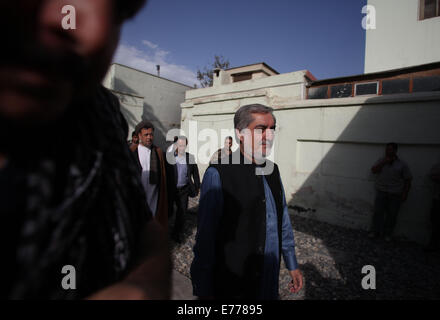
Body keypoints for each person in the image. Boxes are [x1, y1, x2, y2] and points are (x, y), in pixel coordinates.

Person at [0, 0, 171, 299]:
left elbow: (143, 223)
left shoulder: (101, 118)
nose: (95, 32)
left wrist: (145, 283)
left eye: (119, 11)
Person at [190, 104, 303, 300]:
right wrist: (203, 288)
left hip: (268, 277)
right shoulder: (218, 173)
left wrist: (291, 263)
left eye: (272, 129)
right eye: (260, 129)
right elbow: (206, 238)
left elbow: (282, 219)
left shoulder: (273, 170)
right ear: (240, 134)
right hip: (233, 283)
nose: (269, 135)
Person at [369, 143, 412, 241]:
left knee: (392, 215)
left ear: (395, 151)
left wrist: (405, 193)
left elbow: (408, 179)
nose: (388, 151)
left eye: (390, 149)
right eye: (386, 149)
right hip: (381, 191)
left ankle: (388, 234)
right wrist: (383, 162)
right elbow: (373, 170)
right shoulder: (381, 160)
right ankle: (375, 231)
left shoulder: (402, 164)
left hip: (395, 193)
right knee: (378, 213)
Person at [133, 120, 169, 230]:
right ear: (139, 135)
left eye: (151, 134)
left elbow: (165, 178)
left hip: (154, 200)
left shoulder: (158, 153)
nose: (149, 137)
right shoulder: (132, 152)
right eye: (146, 135)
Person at [166, 136, 200, 244]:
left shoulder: (190, 157)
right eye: (179, 145)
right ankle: (163, 231)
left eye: (183, 145)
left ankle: (176, 233)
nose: (181, 147)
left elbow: (195, 173)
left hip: (184, 190)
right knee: (168, 211)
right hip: (171, 189)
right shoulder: (169, 157)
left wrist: (197, 186)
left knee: (182, 212)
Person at [425, 162, 440, 252]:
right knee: (435, 222)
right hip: (438, 199)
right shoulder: (438, 166)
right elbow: (432, 176)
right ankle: (433, 244)